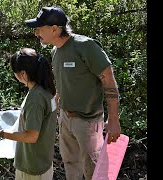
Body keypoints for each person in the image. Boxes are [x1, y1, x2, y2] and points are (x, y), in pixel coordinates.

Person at [25, 7, 121, 180]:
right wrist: (53, 107)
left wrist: (113, 120)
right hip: (65, 119)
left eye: (39, 28)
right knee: (70, 165)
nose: (36, 32)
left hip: (89, 122)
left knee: (95, 171)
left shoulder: (85, 46)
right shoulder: (56, 51)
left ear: (55, 29)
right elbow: (63, 83)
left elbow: (109, 81)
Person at [0, 48, 57, 180]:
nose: (14, 75)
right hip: (43, 162)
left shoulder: (35, 98)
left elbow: (31, 136)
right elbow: (41, 118)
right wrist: (21, 111)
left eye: (14, 72)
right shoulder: (45, 89)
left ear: (23, 73)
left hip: (32, 168)